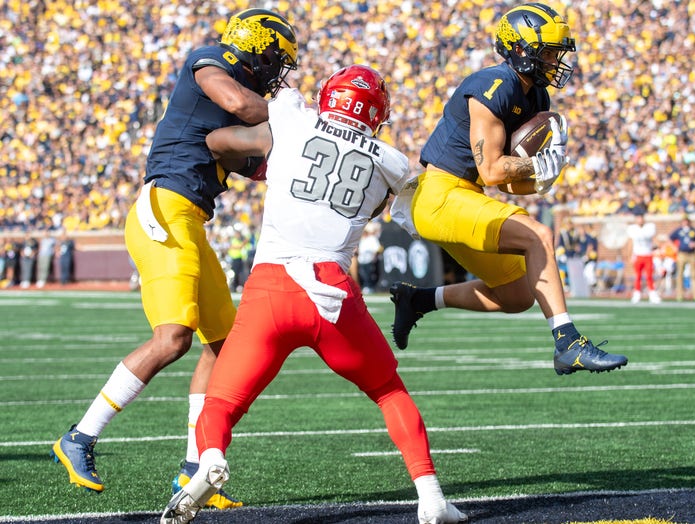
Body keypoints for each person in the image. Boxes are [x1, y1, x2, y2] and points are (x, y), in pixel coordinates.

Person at [160, 66, 466, 524]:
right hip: (332, 292)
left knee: (220, 402)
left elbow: (231, 131)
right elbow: (416, 216)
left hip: (271, 286)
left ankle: (210, 461)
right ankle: (432, 497)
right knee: (388, 392)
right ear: (376, 114)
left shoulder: (293, 116)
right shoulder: (393, 162)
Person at [52, 9, 298, 510]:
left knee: (225, 347)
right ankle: (80, 436)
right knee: (173, 337)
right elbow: (242, 104)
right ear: (254, 44)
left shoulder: (232, 110)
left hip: (192, 218)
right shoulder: (212, 62)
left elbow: (254, 158)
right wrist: (294, 114)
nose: (279, 69)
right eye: (277, 56)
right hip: (166, 205)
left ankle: (192, 470)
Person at [387, 2, 627, 375]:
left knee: (516, 295)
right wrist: (535, 164)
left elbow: (512, 186)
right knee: (538, 235)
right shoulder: (493, 84)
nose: (554, 61)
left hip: (465, 197)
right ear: (519, 49)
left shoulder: (535, 97)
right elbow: (492, 168)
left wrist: (538, 177)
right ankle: (568, 343)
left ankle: (418, 299)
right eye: (548, 52)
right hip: (439, 197)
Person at [626, 212, 659, 303]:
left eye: (641, 218)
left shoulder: (649, 228)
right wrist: (629, 256)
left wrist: (657, 246)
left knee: (649, 276)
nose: (640, 220)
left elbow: (655, 240)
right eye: (638, 218)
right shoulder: (632, 229)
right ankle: (637, 293)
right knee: (638, 276)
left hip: (648, 254)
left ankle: (652, 293)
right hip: (638, 255)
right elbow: (630, 243)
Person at [669, 214, 695, 301]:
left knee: (693, 275)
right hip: (681, 254)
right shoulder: (679, 231)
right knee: (680, 275)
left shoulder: (693, 231)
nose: (685, 222)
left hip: (692, 254)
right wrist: (674, 247)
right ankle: (680, 295)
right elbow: (670, 238)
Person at [356, 222, 383, 293]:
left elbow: (377, 249)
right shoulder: (361, 239)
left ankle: (369, 287)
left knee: (369, 274)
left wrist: (374, 257)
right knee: (363, 274)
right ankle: (365, 286)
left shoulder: (372, 239)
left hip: (369, 260)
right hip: (362, 260)